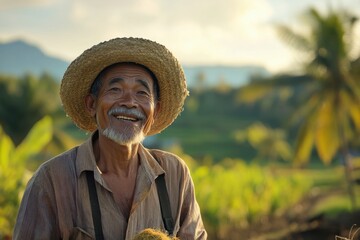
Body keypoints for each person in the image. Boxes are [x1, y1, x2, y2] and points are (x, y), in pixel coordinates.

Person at [13, 37, 207, 240]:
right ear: (91, 104)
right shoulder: (52, 180)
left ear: (155, 110)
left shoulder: (175, 176)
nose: (130, 102)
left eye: (141, 93)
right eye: (115, 90)